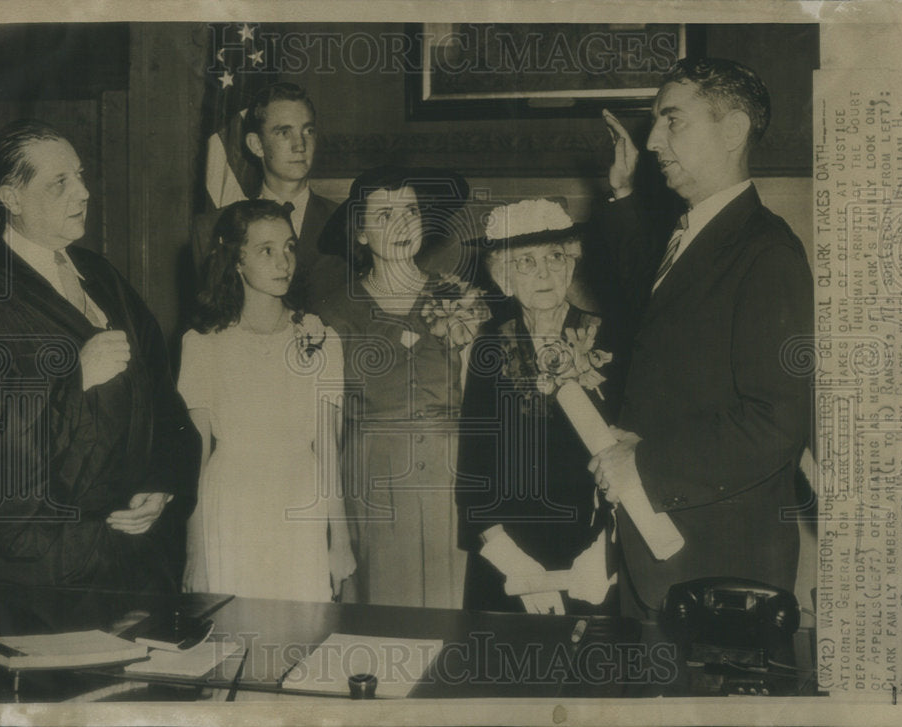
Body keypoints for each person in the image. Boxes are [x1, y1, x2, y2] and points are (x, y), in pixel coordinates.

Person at [589, 58, 813, 618]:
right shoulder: (697, 231)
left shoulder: (769, 252)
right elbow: (660, 306)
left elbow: (777, 423)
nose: (654, 140)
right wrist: (621, 196)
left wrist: (641, 464)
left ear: (733, 131)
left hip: (716, 567)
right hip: (660, 551)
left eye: (673, 121)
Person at [0, 119, 199, 592]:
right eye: (60, 182)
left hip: (131, 549)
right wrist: (73, 374)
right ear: (11, 198)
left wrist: (163, 482)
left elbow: (162, 391)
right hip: (43, 564)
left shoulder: (101, 276)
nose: (84, 192)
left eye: (82, 175)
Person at [315, 165, 479, 609]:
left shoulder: (458, 297)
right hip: (374, 488)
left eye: (410, 210)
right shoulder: (333, 313)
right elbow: (323, 436)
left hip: (452, 485)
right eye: (384, 216)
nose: (403, 224)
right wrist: (335, 532)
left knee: (455, 622)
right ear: (361, 234)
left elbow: (480, 405)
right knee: (387, 624)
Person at [178, 199, 355, 601]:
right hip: (232, 507)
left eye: (289, 247)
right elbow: (196, 457)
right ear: (235, 260)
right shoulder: (202, 344)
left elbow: (328, 450)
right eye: (266, 250)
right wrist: (195, 554)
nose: (283, 262)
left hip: (300, 505)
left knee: (302, 639)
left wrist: (339, 542)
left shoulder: (320, 340)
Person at [456, 199, 623, 616]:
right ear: (504, 277)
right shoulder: (491, 345)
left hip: (591, 558)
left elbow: (631, 460)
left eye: (555, 257)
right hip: (506, 559)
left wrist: (605, 554)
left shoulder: (606, 340)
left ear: (572, 264)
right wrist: (512, 562)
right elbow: (474, 472)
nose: (545, 272)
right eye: (526, 262)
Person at [191, 82, 342, 310]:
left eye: (308, 131)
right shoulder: (212, 228)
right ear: (256, 145)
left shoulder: (348, 221)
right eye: (284, 132)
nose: (299, 145)